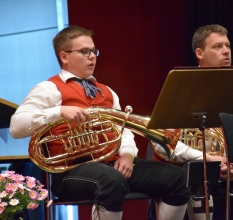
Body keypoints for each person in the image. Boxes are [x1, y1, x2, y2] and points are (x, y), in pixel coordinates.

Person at [9, 25, 190, 220]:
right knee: (112, 180)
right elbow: (16, 126)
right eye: (84, 52)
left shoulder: (107, 91)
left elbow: (124, 129)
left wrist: (128, 155)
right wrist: (58, 111)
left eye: (93, 51)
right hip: (70, 173)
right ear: (64, 56)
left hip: (112, 165)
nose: (92, 56)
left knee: (177, 178)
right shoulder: (48, 89)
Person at [154, 24, 233, 220]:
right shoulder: (180, 89)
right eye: (217, 47)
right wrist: (208, 158)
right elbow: (164, 142)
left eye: (228, 46)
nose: (226, 51)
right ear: (199, 53)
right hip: (194, 168)